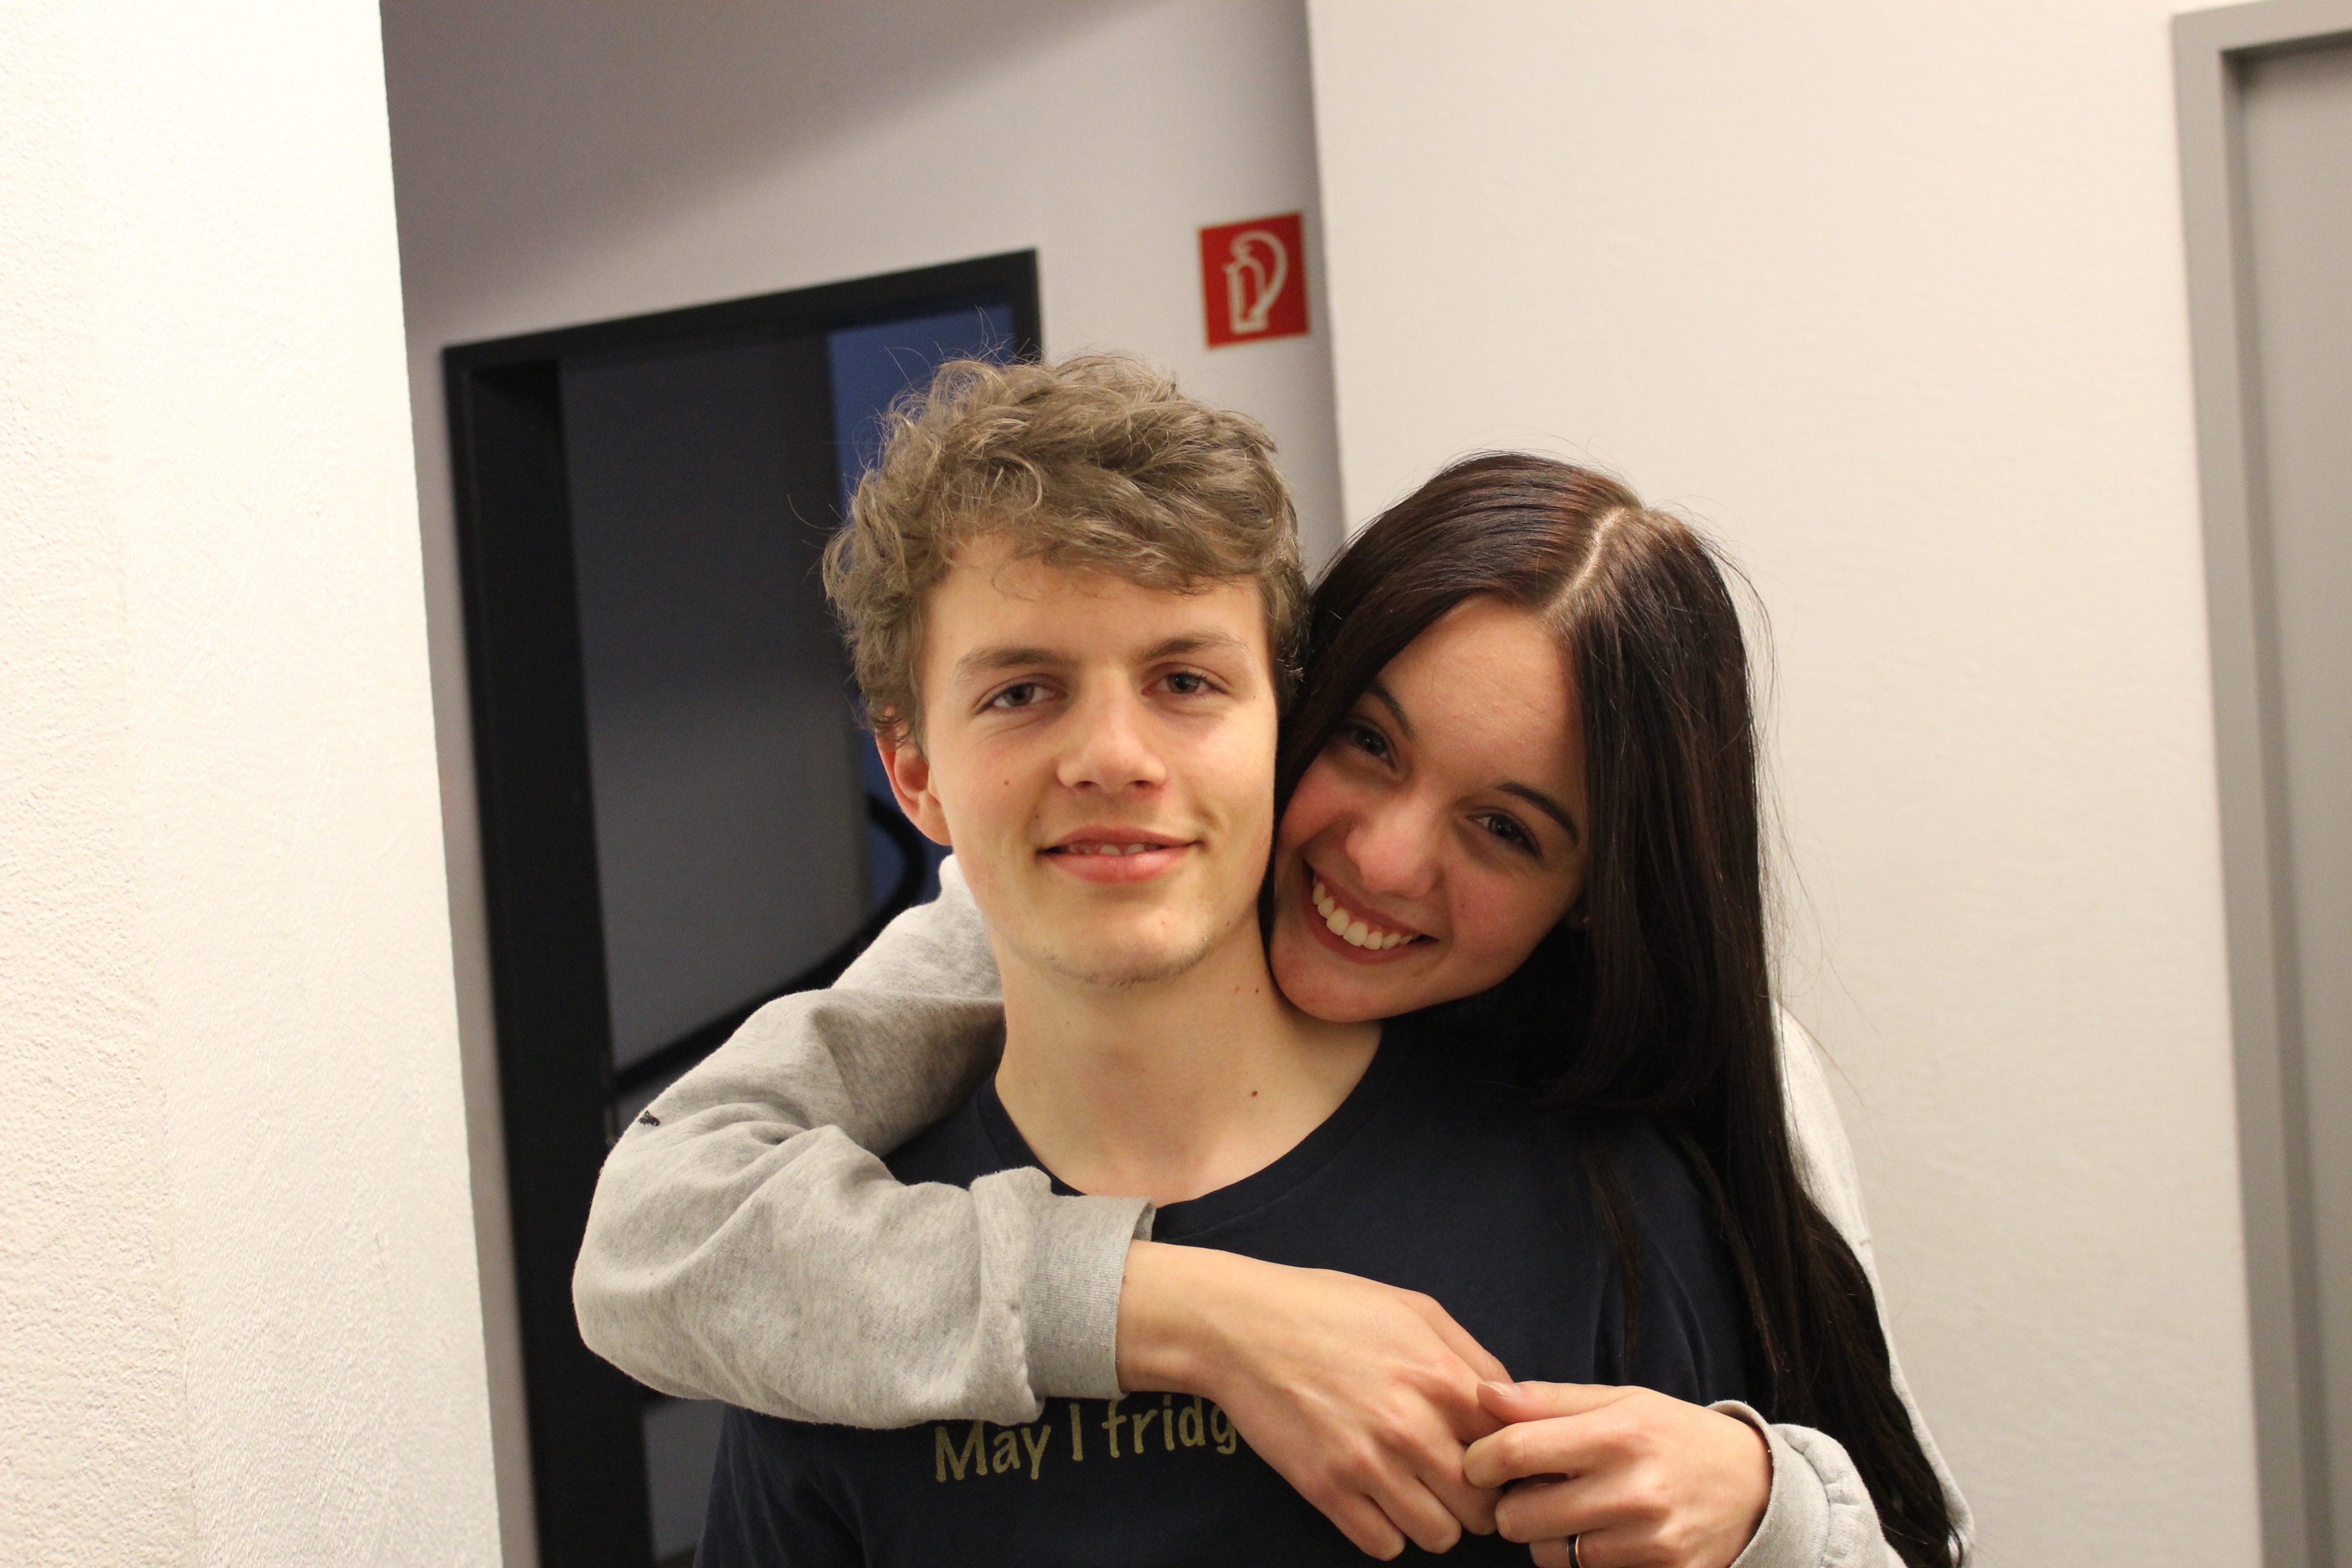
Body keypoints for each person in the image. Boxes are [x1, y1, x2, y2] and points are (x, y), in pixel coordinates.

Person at [577, 367, 1973, 1567]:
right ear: (915, 774)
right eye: (1022, 691)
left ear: (1271, 713)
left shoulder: (1619, 1194)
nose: (1114, 758)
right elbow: (647, 1231)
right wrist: (1189, 1304)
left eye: (1186, 682)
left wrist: (1769, 1517)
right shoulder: (831, 1303)